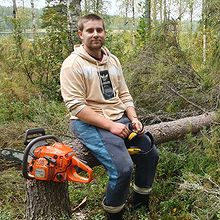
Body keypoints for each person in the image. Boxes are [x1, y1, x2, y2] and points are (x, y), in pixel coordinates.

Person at [60, 13, 159, 220]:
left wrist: (133, 118)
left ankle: (140, 205)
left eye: (99, 30)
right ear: (81, 34)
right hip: (88, 123)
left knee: (150, 154)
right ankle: (114, 213)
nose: (95, 34)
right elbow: (76, 107)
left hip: (120, 118)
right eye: (90, 30)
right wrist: (111, 126)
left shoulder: (112, 60)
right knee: (123, 169)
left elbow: (124, 93)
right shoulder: (72, 65)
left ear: (104, 32)